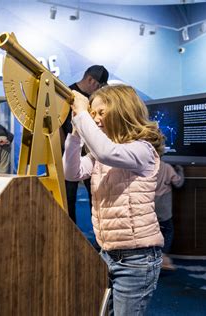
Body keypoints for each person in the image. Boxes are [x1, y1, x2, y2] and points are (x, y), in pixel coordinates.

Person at [63, 84, 165, 315]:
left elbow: (106, 152)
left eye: (101, 113)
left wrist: (82, 117)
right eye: (92, 114)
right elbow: (72, 172)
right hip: (107, 253)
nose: (96, 119)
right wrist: (76, 133)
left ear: (121, 111)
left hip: (137, 259)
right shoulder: (101, 153)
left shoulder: (142, 150)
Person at [61, 65, 109, 223]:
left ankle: (98, 234)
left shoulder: (95, 99)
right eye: (99, 86)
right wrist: (64, 150)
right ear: (90, 80)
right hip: (70, 152)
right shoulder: (65, 95)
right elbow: (56, 127)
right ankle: (70, 237)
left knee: (96, 195)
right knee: (68, 198)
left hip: (91, 152)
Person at [155, 161, 184, 271]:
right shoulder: (166, 167)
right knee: (167, 231)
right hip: (163, 208)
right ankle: (163, 256)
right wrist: (180, 170)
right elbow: (178, 182)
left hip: (149, 206)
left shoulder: (146, 165)